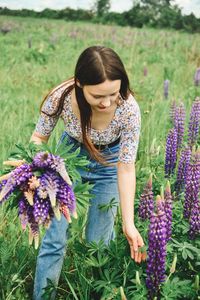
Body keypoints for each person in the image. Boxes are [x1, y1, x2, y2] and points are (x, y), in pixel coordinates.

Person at [31, 45, 144, 300]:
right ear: (80, 83)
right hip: (67, 160)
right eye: (97, 96)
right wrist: (39, 168)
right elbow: (39, 137)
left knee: (99, 244)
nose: (106, 102)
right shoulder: (61, 96)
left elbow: (126, 168)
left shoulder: (129, 109)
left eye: (113, 93)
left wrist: (129, 223)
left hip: (110, 163)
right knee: (54, 238)